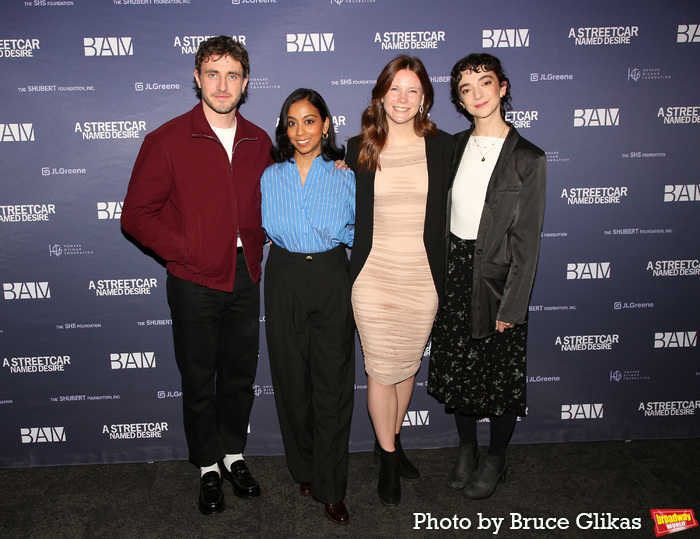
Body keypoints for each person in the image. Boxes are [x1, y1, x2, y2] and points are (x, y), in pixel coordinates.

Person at [121, 36, 272, 515]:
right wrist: (187, 250)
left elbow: (280, 193)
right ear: (197, 78)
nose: (222, 84)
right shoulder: (166, 140)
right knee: (198, 378)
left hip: (245, 276)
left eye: (232, 75)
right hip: (193, 283)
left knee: (239, 376)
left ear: (245, 82)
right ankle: (207, 466)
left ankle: (232, 454)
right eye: (212, 73)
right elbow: (136, 215)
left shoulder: (260, 140)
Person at [428, 53, 546, 500]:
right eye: (465, 88)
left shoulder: (529, 159)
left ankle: (496, 456)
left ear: (503, 87)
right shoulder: (451, 146)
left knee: (498, 377)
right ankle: (466, 448)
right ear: (459, 99)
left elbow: (528, 242)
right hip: (453, 272)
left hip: (498, 280)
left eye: (484, 83)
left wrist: (512, 307)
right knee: (459, 369)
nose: (476, 94)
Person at [346, 55, 455, 507]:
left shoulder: (446, 147)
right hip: (372, 275)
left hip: (423, 275)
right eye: (395, 89)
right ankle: (389, 460)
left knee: (407, 366)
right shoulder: (358, 148)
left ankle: (387, 440)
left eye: (412, 90)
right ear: (381, 94)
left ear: (425, 97)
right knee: (380, 368)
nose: (403, 99)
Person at [261, 89, 356, 525]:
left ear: (326, 124)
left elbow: (365, 231)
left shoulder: (347, 175)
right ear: (285, 128)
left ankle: (332, 486)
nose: (301, 130)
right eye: (293, 122)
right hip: (283, 276)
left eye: (310, 120)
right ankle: (303, 468)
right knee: (291, 381)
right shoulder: (269, 176)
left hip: (331, 275)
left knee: (333, 385)